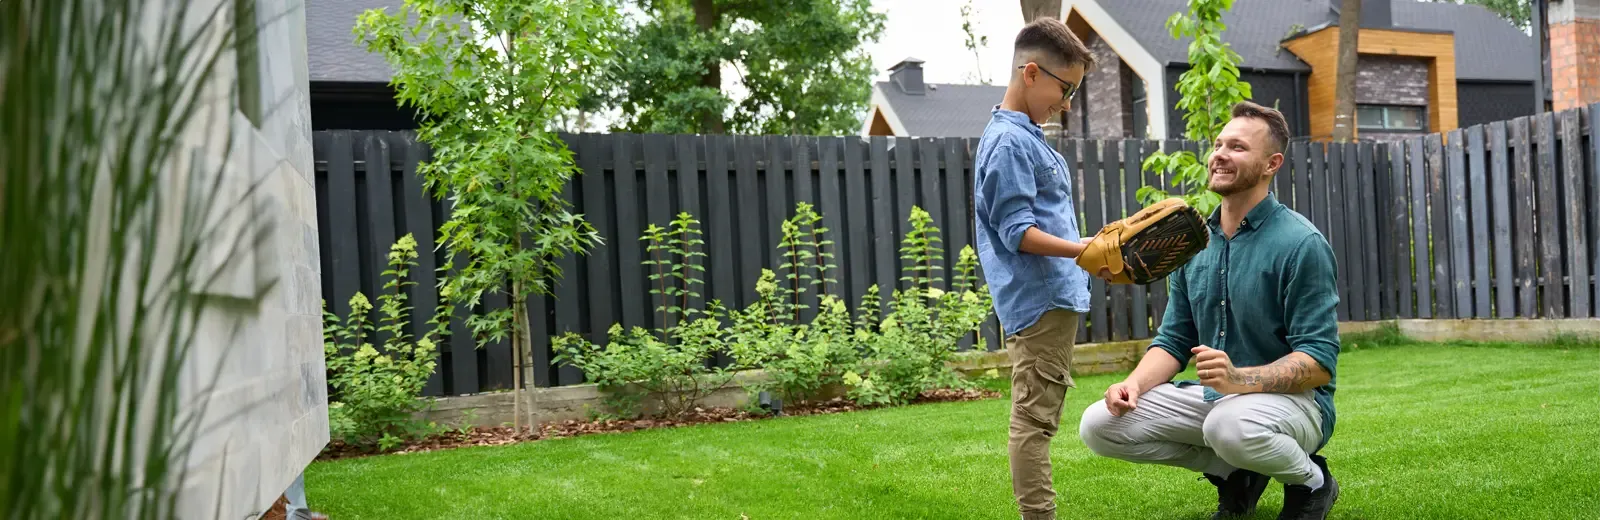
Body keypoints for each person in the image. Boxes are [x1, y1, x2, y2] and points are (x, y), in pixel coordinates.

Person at [1076, 101, 1342, 520]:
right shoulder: (1193, 243)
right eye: (1218, 144)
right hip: (1219, 400)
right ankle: (1234, 473)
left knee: (1228, 426)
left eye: (1237, 147)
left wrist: (1239, 379)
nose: (1219, 154)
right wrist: (1132, 385)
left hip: (1297, 405)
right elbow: (1174, 339)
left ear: (1271, 163)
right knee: (1099, 425)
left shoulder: (1302, 245)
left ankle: (1311, 482)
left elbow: (1320, 362)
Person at [971, 16, 1097, 520]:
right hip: (1040, 300)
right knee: (1033, 422)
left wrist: (1088, 251)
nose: (1065, 104)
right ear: (1030, 73)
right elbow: (1017, 232)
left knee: (1038, 417)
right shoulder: (1009, 142)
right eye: (1064, 89)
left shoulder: (1024, 135)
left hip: (1051, 298)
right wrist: (1080, 250)